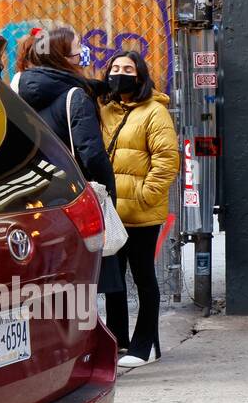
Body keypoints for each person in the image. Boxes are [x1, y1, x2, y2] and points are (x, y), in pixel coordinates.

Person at [100, 51, 179, 369]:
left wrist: (146, 195)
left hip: (142, 212)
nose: (120, 73)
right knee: (113, 280)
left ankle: (146, 344)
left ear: (140, 76)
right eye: (115, 68)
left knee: (144, 276)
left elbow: (167, 159)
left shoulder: (154, 111)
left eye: (127, 69)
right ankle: (118, 339)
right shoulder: (106, 109)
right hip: (113, 211)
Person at [15, 27, 117, 205]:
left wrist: (103, 87)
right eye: (78, 45)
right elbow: (93, 155)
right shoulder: (77, 97)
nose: (83, 50)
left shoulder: (22, 90)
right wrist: (109, 193)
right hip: (72, 194)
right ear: (62, 57)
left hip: (34, 190)